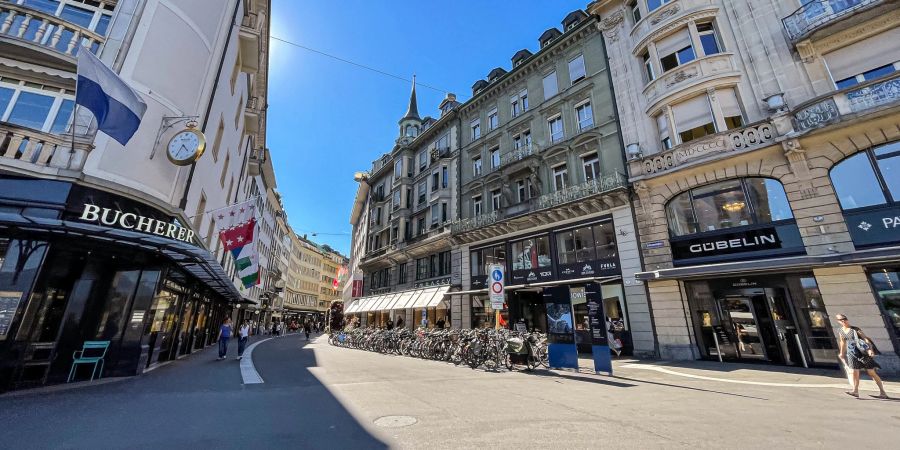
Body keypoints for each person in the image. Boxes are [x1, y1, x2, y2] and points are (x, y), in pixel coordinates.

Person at [836, 314, 888, 399]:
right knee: (855, 372)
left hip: (862, 353)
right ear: (838, 321)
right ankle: (855, 391)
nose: (843, 321)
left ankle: (883, 392)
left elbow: (865, 338)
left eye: (844, 319)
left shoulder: (855, 329)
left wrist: (870, 349)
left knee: (871, 373)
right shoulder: (840, 331)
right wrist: (841, 353)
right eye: (840, 320)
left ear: (847, 319)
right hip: (851, 353)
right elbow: (842, 342)